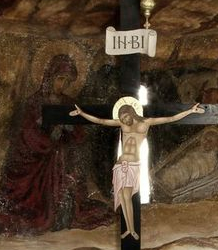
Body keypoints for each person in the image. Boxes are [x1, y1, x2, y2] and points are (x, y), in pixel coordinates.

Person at [0, 55, 108, 233]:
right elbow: (26, 135)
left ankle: (63, 213)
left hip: (62, 157)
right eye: (60, 79)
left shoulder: (70, 103)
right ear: (50, 76)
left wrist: (70, 129)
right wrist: (49, 137)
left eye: (68, 82)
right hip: (36, 160)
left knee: (66, 163)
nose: (63, 85)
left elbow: (80, 135)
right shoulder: (33, 103)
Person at [70, 99, 205, 239]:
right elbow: (101, 121)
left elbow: (170, 118)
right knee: (123, 197)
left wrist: (190, 111)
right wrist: (82, 114)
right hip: (121, 164)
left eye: (125, 117)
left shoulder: (146, 122)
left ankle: (132, 229)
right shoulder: (122, 124)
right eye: (122, 119)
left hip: (133, 165)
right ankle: (129, 229)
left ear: (131, 113)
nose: (124, 121)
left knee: (127, 196)